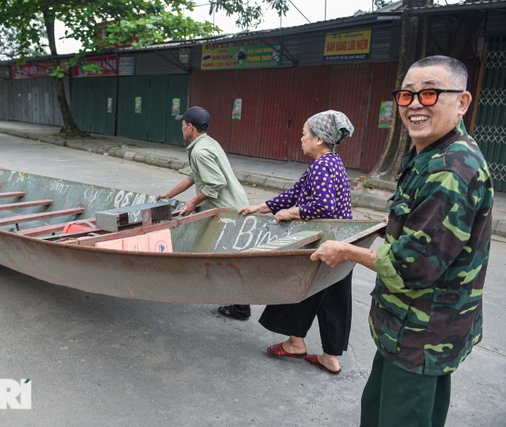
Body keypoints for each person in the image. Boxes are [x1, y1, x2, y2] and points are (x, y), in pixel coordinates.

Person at [311, 55, 493, 426]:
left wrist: (345, 251)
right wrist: (391, 224)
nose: (414, 106)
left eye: (429, 94)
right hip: (407, 331)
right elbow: (424, 226)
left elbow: (413, 267)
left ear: (461, 102)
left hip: (422, 335)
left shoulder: (451, 170)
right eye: (406, 96)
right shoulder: (432, 153)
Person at [239, 110, 354, 374]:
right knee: (332, 297)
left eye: (305, 134)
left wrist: (291, 213)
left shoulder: (322, 165)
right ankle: (329, 356)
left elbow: (324, 205)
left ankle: (295, 343)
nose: (301, 138)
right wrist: (261, 207)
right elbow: (295, 193)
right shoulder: (331, 162)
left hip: (324, 243)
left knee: (298, 287)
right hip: (341, 243)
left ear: (319, 139)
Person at [156, 106, 251, 319]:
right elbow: (193, 176)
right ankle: (238, 303)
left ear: (190, 127)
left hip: (228, 209)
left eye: (182, 125)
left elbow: (216, 182)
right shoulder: (208, 143)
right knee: (227, 255)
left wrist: (193, 201)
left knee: (229, 257)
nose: (181, 129)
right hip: (230, 204)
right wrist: (168, 194)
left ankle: (240, 306)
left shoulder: (200, 151)